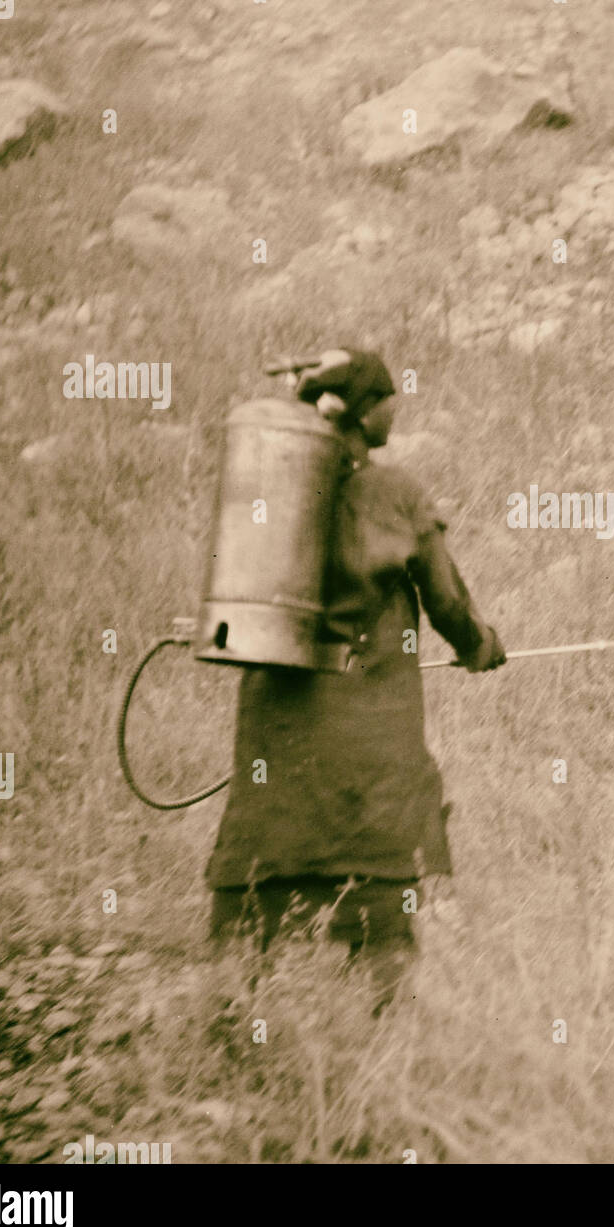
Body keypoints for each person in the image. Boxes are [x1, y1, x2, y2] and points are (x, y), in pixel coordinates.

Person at [206, 349, 505, 1010]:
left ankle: (229, 1026)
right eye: (388, 396)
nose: (396, 406)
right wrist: (480, 645)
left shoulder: (269, 486)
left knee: (261, 861)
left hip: (275, 729)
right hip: (369, 737)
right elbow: (448, 602)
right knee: (383, 865)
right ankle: (383, 1048)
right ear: (366, 411)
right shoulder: (394, 491)